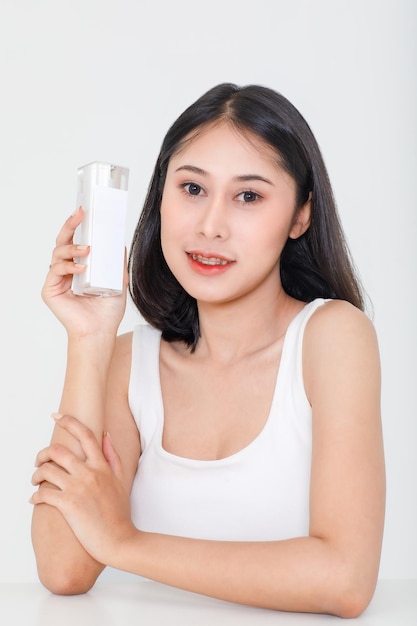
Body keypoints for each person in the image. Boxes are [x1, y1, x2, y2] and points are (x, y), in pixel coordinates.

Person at [30, 83, 385, 618]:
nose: (211, 226)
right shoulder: (131, 364)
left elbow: (345, 580)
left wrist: (124, 543)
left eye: (249, 196)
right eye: (192, 189)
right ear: (161, 197)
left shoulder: (332, 338)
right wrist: (89, 339)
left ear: (300, 215)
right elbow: (63, 568)